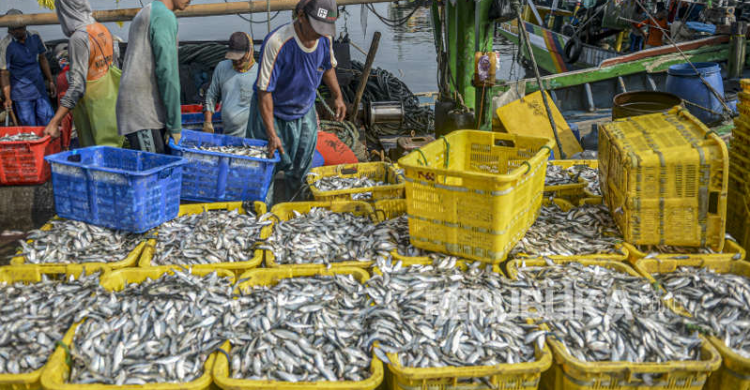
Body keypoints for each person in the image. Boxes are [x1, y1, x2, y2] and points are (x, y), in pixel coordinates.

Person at [247, 0, 346, 201]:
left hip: (304, 110)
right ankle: (262, 213)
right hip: (272, 112)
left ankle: (294, 209)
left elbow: (327, 67)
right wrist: (271, 133)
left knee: (302, 168)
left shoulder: (325, 39)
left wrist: (338, 96)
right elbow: (264, 93)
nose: (319, 33)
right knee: (265, 168)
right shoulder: (277, 42)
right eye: (316, 27)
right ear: (301, 17)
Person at [44, 0, 123, 148]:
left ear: (66, 10)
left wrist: (54, 122)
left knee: (97, 157)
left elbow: (77, 87)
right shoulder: (102, 29)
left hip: (93, 112)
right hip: (111, 105)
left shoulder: (78, 38)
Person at [117, 0, 190, 153]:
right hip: (144, 111)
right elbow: (167, 71)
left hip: (139, 106)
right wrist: (175, 124)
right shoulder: (164, 16)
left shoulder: (147, 11)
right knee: (156, 170)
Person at [0, 9, 56, 127]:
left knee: (48, 120)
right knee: (28, 126)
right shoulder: (6, 45)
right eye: (14, 29)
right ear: (10, 30)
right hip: (21, 94)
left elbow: (43, 58)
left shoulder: (35, 36)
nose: (18, 31)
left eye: (21, 27)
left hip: (39, 89)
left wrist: (51, 81)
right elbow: (4, 73)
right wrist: (8, 98)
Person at [203, 32, 258, 137]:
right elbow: (211, 95)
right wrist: (208, 122)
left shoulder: (259, 73)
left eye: (240, 57)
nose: (237, 61)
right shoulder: (222, 67)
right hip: (228, 135)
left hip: (251, 138)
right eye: (234, 58)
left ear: (249, 51)